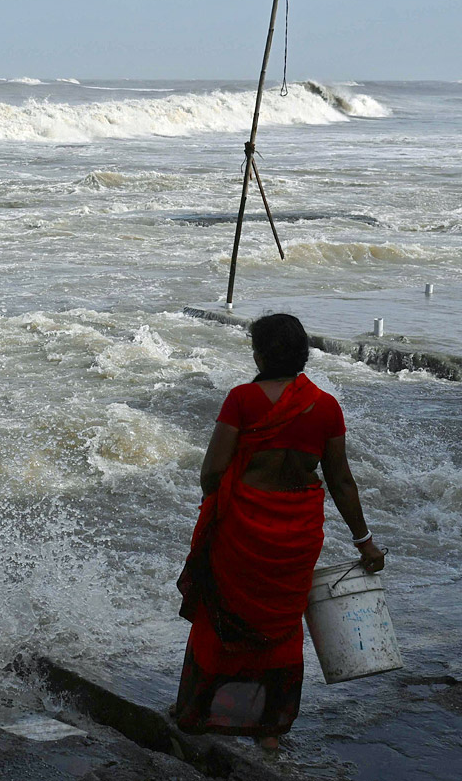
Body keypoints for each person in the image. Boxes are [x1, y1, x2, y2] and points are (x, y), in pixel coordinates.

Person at [175, 313, 385, 750]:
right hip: (297, 534)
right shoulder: (325, 406)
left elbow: (212, 471)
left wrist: (223, 503)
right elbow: (342, 481)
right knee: (283, 628)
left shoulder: (242, 400)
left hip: (242, 532)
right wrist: (365, 542)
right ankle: (269, 730)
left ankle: (201, 714)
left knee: (221, 616)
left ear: (260, 354)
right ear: (302, 354)